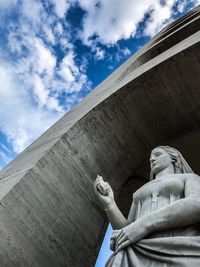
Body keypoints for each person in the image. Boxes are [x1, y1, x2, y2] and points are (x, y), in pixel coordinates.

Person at [94, 146, 200, 266]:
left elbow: (196, 203)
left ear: (174, 158)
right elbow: (128, 229)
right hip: (137, 250)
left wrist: (145, 224)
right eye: (150, 158)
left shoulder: (190, 178)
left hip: (180, 246)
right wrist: (110, 204)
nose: (152, 159)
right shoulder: (140, 191)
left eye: (158, 154)